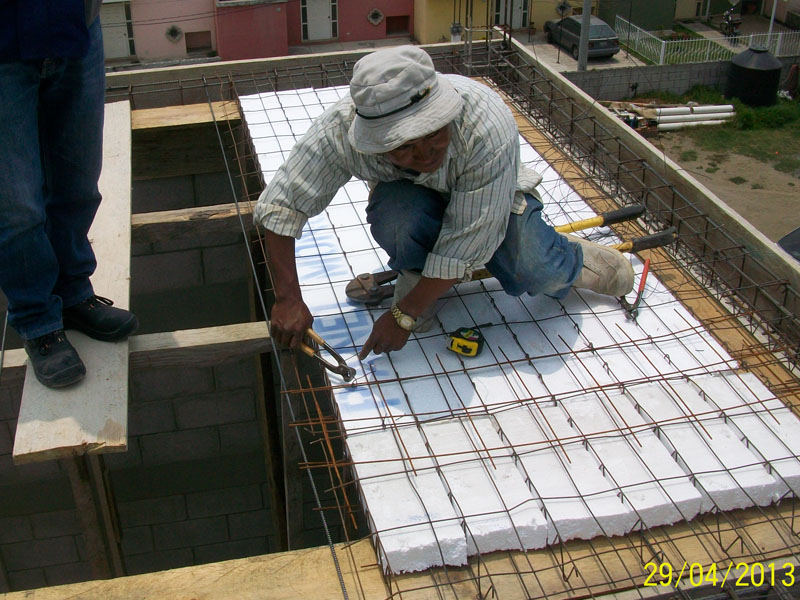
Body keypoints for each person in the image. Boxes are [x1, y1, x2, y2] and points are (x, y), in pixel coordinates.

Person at [254, 45, 633, 360]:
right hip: (415, 201)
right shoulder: (340, 132)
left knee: (534, 269)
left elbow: (468, 240)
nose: (425, 153)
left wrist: (403, 315)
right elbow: (281, 205)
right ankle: (418, 276)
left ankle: (575, 260)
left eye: (434, 133)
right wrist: (287, 299)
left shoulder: (484, 122)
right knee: (397, 216)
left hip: (490, 198)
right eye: (404, 146)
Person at [0, 1, 138, 388]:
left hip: (73, 23)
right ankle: (39, 322)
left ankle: (74, 293)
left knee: (77, 183)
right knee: (16, 208)